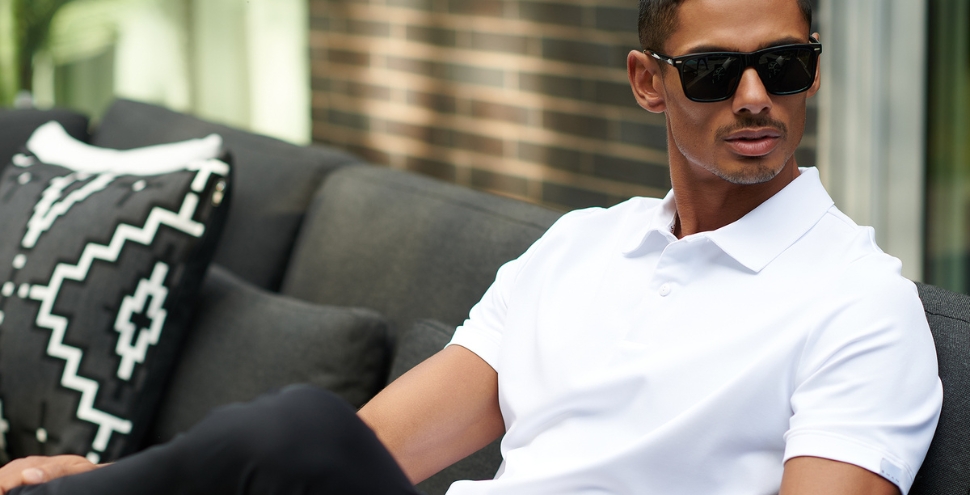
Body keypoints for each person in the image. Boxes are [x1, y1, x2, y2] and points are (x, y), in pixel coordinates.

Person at [0, 0, 942, 493]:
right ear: (648, 83)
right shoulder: (582, 246)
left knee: (300, 427)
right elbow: (376, 447)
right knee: (305, 432)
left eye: (784, 64)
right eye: (713, 72)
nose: (755, 97)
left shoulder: (860, 305)